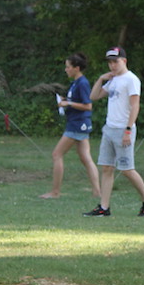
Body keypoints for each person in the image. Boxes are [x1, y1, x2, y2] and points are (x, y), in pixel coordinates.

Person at [83, 46, 144, 217]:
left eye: (115, 61)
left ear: (124, 61)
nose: (112, 65)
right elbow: (93, 97)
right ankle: (104, 207)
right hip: (109, 128)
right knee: (107, 168)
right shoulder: (113, 79)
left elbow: (135, 105)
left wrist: (128, 130)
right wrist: (101, 78)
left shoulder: (131, 80)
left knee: (126, 169)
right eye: (109, 62)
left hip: (124, 129)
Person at [41, 54, 101, 199]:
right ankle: (97, 192)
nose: (66, 69)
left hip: (77, 125)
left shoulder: (83, 83)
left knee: (57, 154)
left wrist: (68, 104)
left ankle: (55, 192)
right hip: (78, 123)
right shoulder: (75, 83)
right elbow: (76, 101)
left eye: (68, 67)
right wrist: (66, 100)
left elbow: (88, 106)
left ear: (77, 68)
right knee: (86, 158)